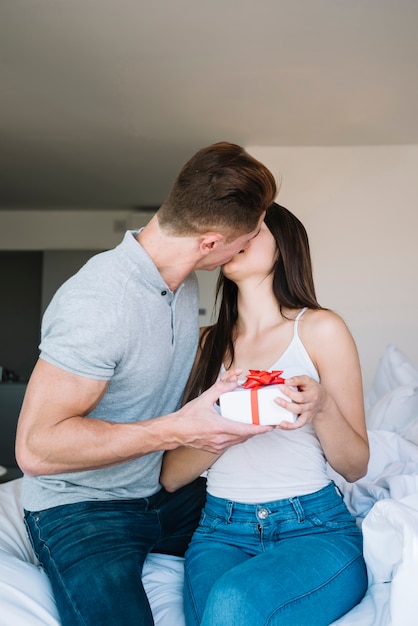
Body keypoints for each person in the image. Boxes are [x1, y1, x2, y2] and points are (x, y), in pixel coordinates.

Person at [15, 141, 278, 626]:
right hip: (82, 507)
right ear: (210, 243)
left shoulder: (180, 282)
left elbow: (144, 372)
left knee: (281, 520)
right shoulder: (99, 302)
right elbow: (36, 448)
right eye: (253, 232)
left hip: (158, 494)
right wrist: (178, 429)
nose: (257, 239)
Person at [160, 202, 370, 626]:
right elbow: (171, 476)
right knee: (220, 612)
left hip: (313, 527)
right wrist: (223, 427)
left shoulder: (320, 329)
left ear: (284, 247)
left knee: (232, 604)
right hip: (220, 530)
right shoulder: (204, 345)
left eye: (251, 229)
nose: (234, 235)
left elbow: (356, 467)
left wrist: (323, 406)